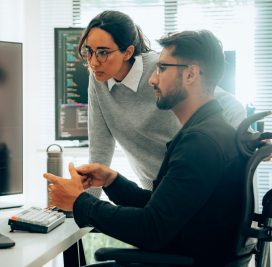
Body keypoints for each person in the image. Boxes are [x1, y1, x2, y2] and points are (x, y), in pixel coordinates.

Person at [44, 30, 246, 266]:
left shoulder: (200, 143)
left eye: (161, 68)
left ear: (191, 74)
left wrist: (79, 202)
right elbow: (162, 210)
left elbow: (151, 228)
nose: (152, 79)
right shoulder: (208, 132)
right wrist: (113, 182)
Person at [79, 10, 245, 191]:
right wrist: (83, 207)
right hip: (153, 186)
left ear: (127, 53)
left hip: (190, 178)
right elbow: (99, 150)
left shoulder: (162, 68)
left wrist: (242, 140)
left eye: (103, 52)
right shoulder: (98, 78)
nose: (93, 62)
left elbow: (226, 103)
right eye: (89, 51)